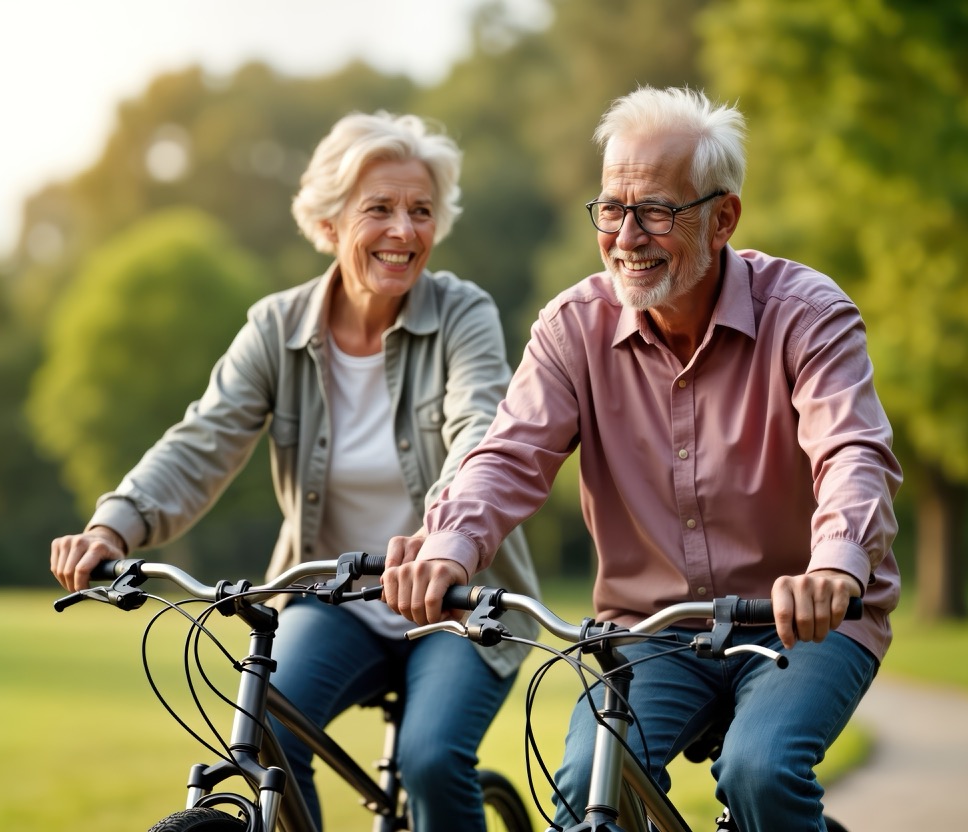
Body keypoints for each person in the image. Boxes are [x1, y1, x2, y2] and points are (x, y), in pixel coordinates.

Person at [382, 86, 902, 832]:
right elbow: (507, 454)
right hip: (654, 632)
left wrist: (834, 566)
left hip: (807, 622)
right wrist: (449, 547)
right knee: (582, 792)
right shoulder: (574, 328)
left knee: (761, 770)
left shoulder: (807, 314)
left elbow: (851, 450)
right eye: (611, 208)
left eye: (655, 210)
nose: (627, 235)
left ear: (723, 218)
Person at [50, 110, 540, 831]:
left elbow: (478, 433)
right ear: (330, 221)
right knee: (269, 727)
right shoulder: (276, 328)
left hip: (458, 603)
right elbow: (203, 439)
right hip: (334, 598)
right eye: (380, 209)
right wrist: (114, 525)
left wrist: (442, 547)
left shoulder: (463, 314)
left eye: (421, 211)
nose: (404, 231)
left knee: (433, 760)